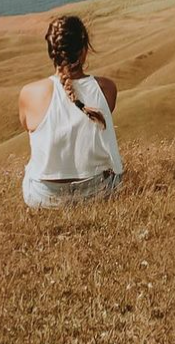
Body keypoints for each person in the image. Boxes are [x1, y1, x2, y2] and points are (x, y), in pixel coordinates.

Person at [19, 15, 124, 209]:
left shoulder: (29, 93)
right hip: (99, 191)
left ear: (52, 52)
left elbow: (27, 126)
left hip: (43, 197)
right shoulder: (106, 88)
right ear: (84, 51)